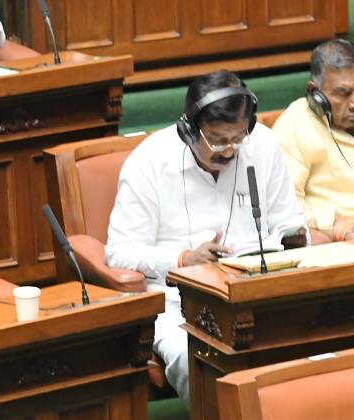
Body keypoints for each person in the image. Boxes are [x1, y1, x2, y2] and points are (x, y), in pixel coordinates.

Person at [104, 71, 307, 402]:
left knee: (313, 349)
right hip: (178, 304)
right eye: (216, 140)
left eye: (237, 138)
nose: (229, 151)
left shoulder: (263, 145)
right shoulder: (150, 162)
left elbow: (289, 220)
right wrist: (183, 259)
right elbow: (119, 252)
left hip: (257, 295)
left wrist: (294, 237)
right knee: (197, 361)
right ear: (188, 128)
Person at [272, 38, 354, 243]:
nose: (353, 103)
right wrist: (336, 224)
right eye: (342, 93)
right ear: (314, 92)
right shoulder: (295, 124)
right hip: (337, 240)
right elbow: (283, 204)